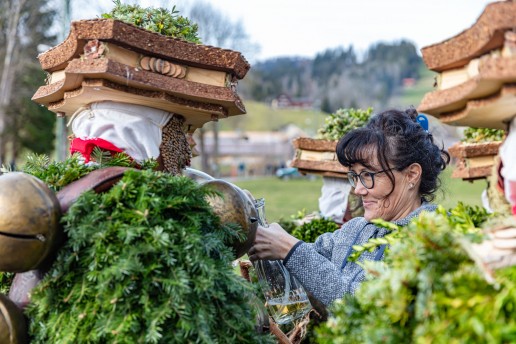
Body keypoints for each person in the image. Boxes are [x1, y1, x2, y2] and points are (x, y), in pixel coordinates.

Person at [248, 108, 450, 306]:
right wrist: (254, 227)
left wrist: (290, 249)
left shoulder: (431, 240)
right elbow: (296, 276)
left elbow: (364, 308)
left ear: (411, 175)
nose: (358, 190)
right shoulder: (354, 230)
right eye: (355, 176)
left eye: (368, 175)